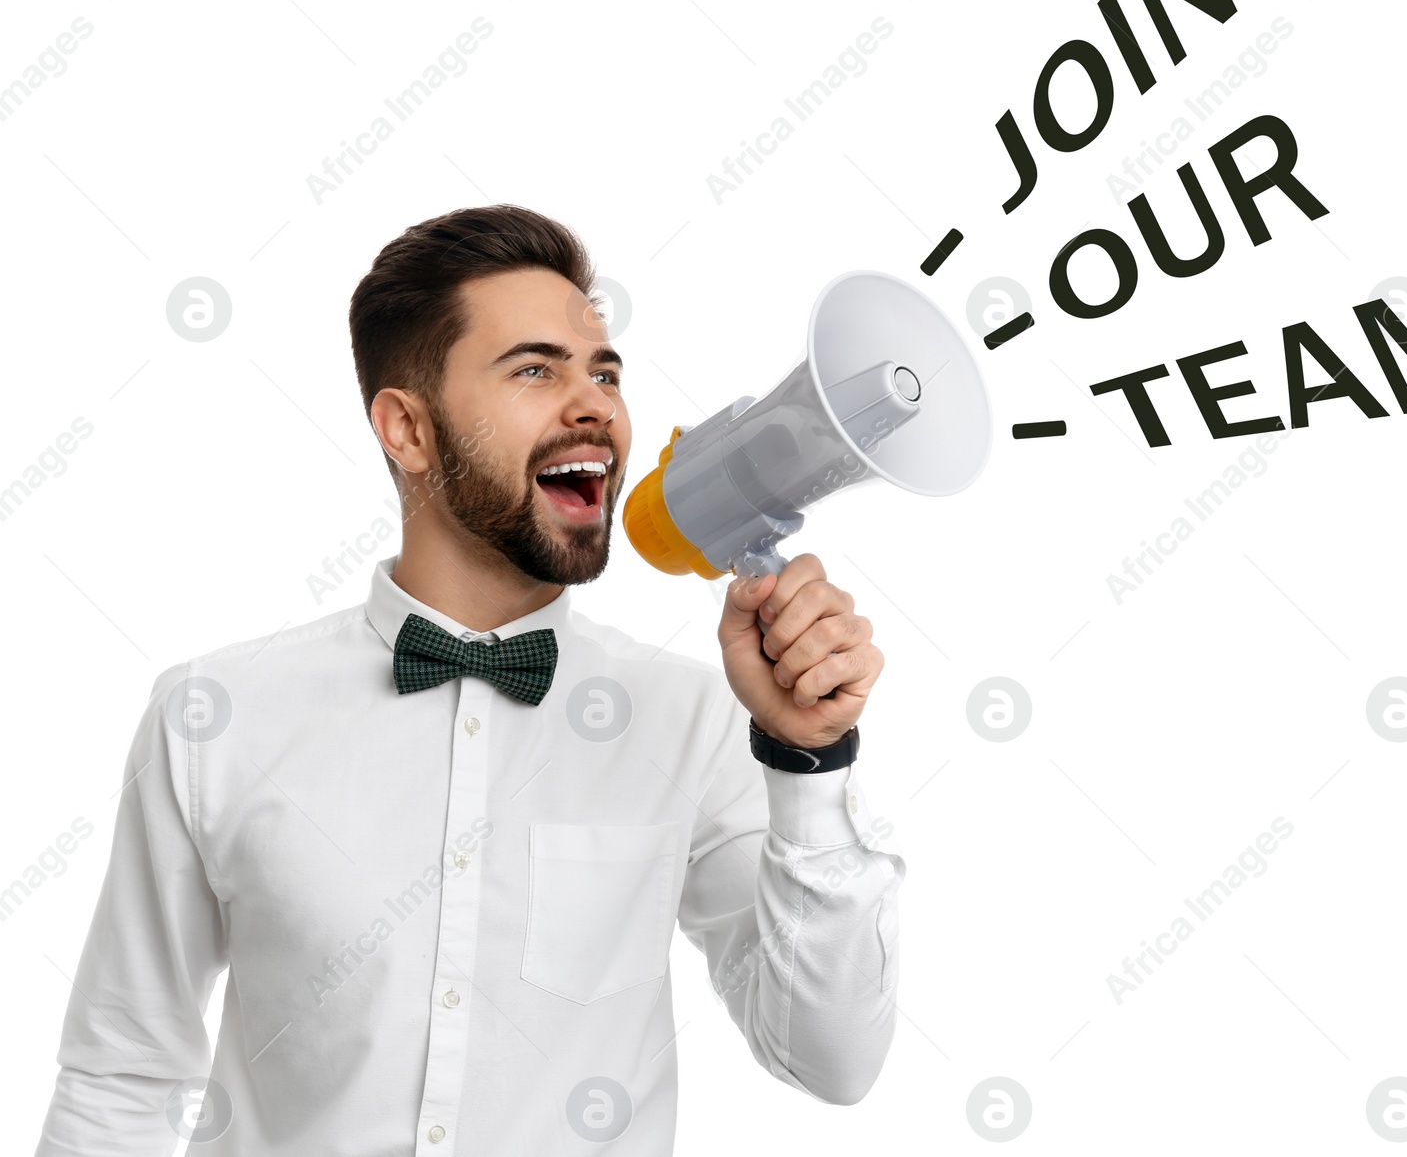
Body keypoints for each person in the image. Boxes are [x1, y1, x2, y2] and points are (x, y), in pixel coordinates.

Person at [33, 205, 904, 1155]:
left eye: (602, 371)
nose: (595, 405)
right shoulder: (213, 717)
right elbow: (121, 1076)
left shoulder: (697, 721)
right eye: (536, 369)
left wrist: (806, 762)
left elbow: (830, 1060)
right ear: (406, 428)